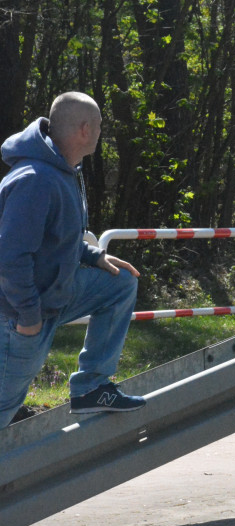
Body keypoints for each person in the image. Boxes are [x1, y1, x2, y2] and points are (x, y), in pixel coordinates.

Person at [0, 92, 145, 428]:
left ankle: (91, 388)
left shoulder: (64, 169)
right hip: (19, 315)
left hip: (53, 296)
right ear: (83, 129)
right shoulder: (35, 179)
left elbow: (56, 239)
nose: (99, 133)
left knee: (120, 284)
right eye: (98, 126)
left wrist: (93, 256)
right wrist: (28, 316)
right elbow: (9, 257)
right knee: (3, 411)